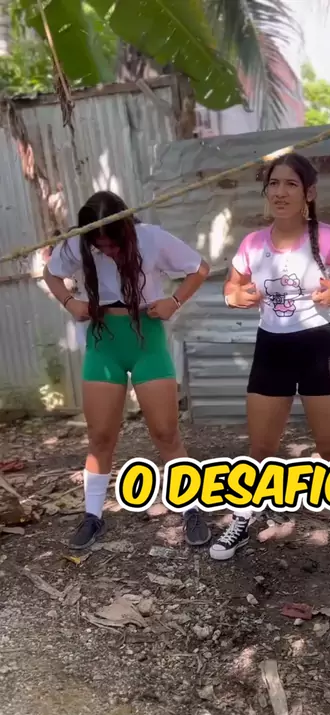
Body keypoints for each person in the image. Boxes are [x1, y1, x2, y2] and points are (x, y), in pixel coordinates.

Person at [209, 153, 330, 572]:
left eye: (291, 184)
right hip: (270, 349)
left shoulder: (327, 239)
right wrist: (234, 297)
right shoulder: (253, 244)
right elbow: (231, 286)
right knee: (261, 449)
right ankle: (242, 521)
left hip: (316, 348)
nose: (280, 192)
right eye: (273, 184)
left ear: (309, 193)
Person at [44, 190, 211, 550]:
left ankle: (191, 508)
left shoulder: (151, 238)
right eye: (99, 244)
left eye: (112, 242)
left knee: (165, 432)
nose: (106, 250)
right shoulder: (80, 243)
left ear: (126, 228)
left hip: (147, 339)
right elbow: (51, 273)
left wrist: (174, 301)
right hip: (104, 342)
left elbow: (199, 269)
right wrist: (71, 302)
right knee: (101, 435)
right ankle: (93, 515)